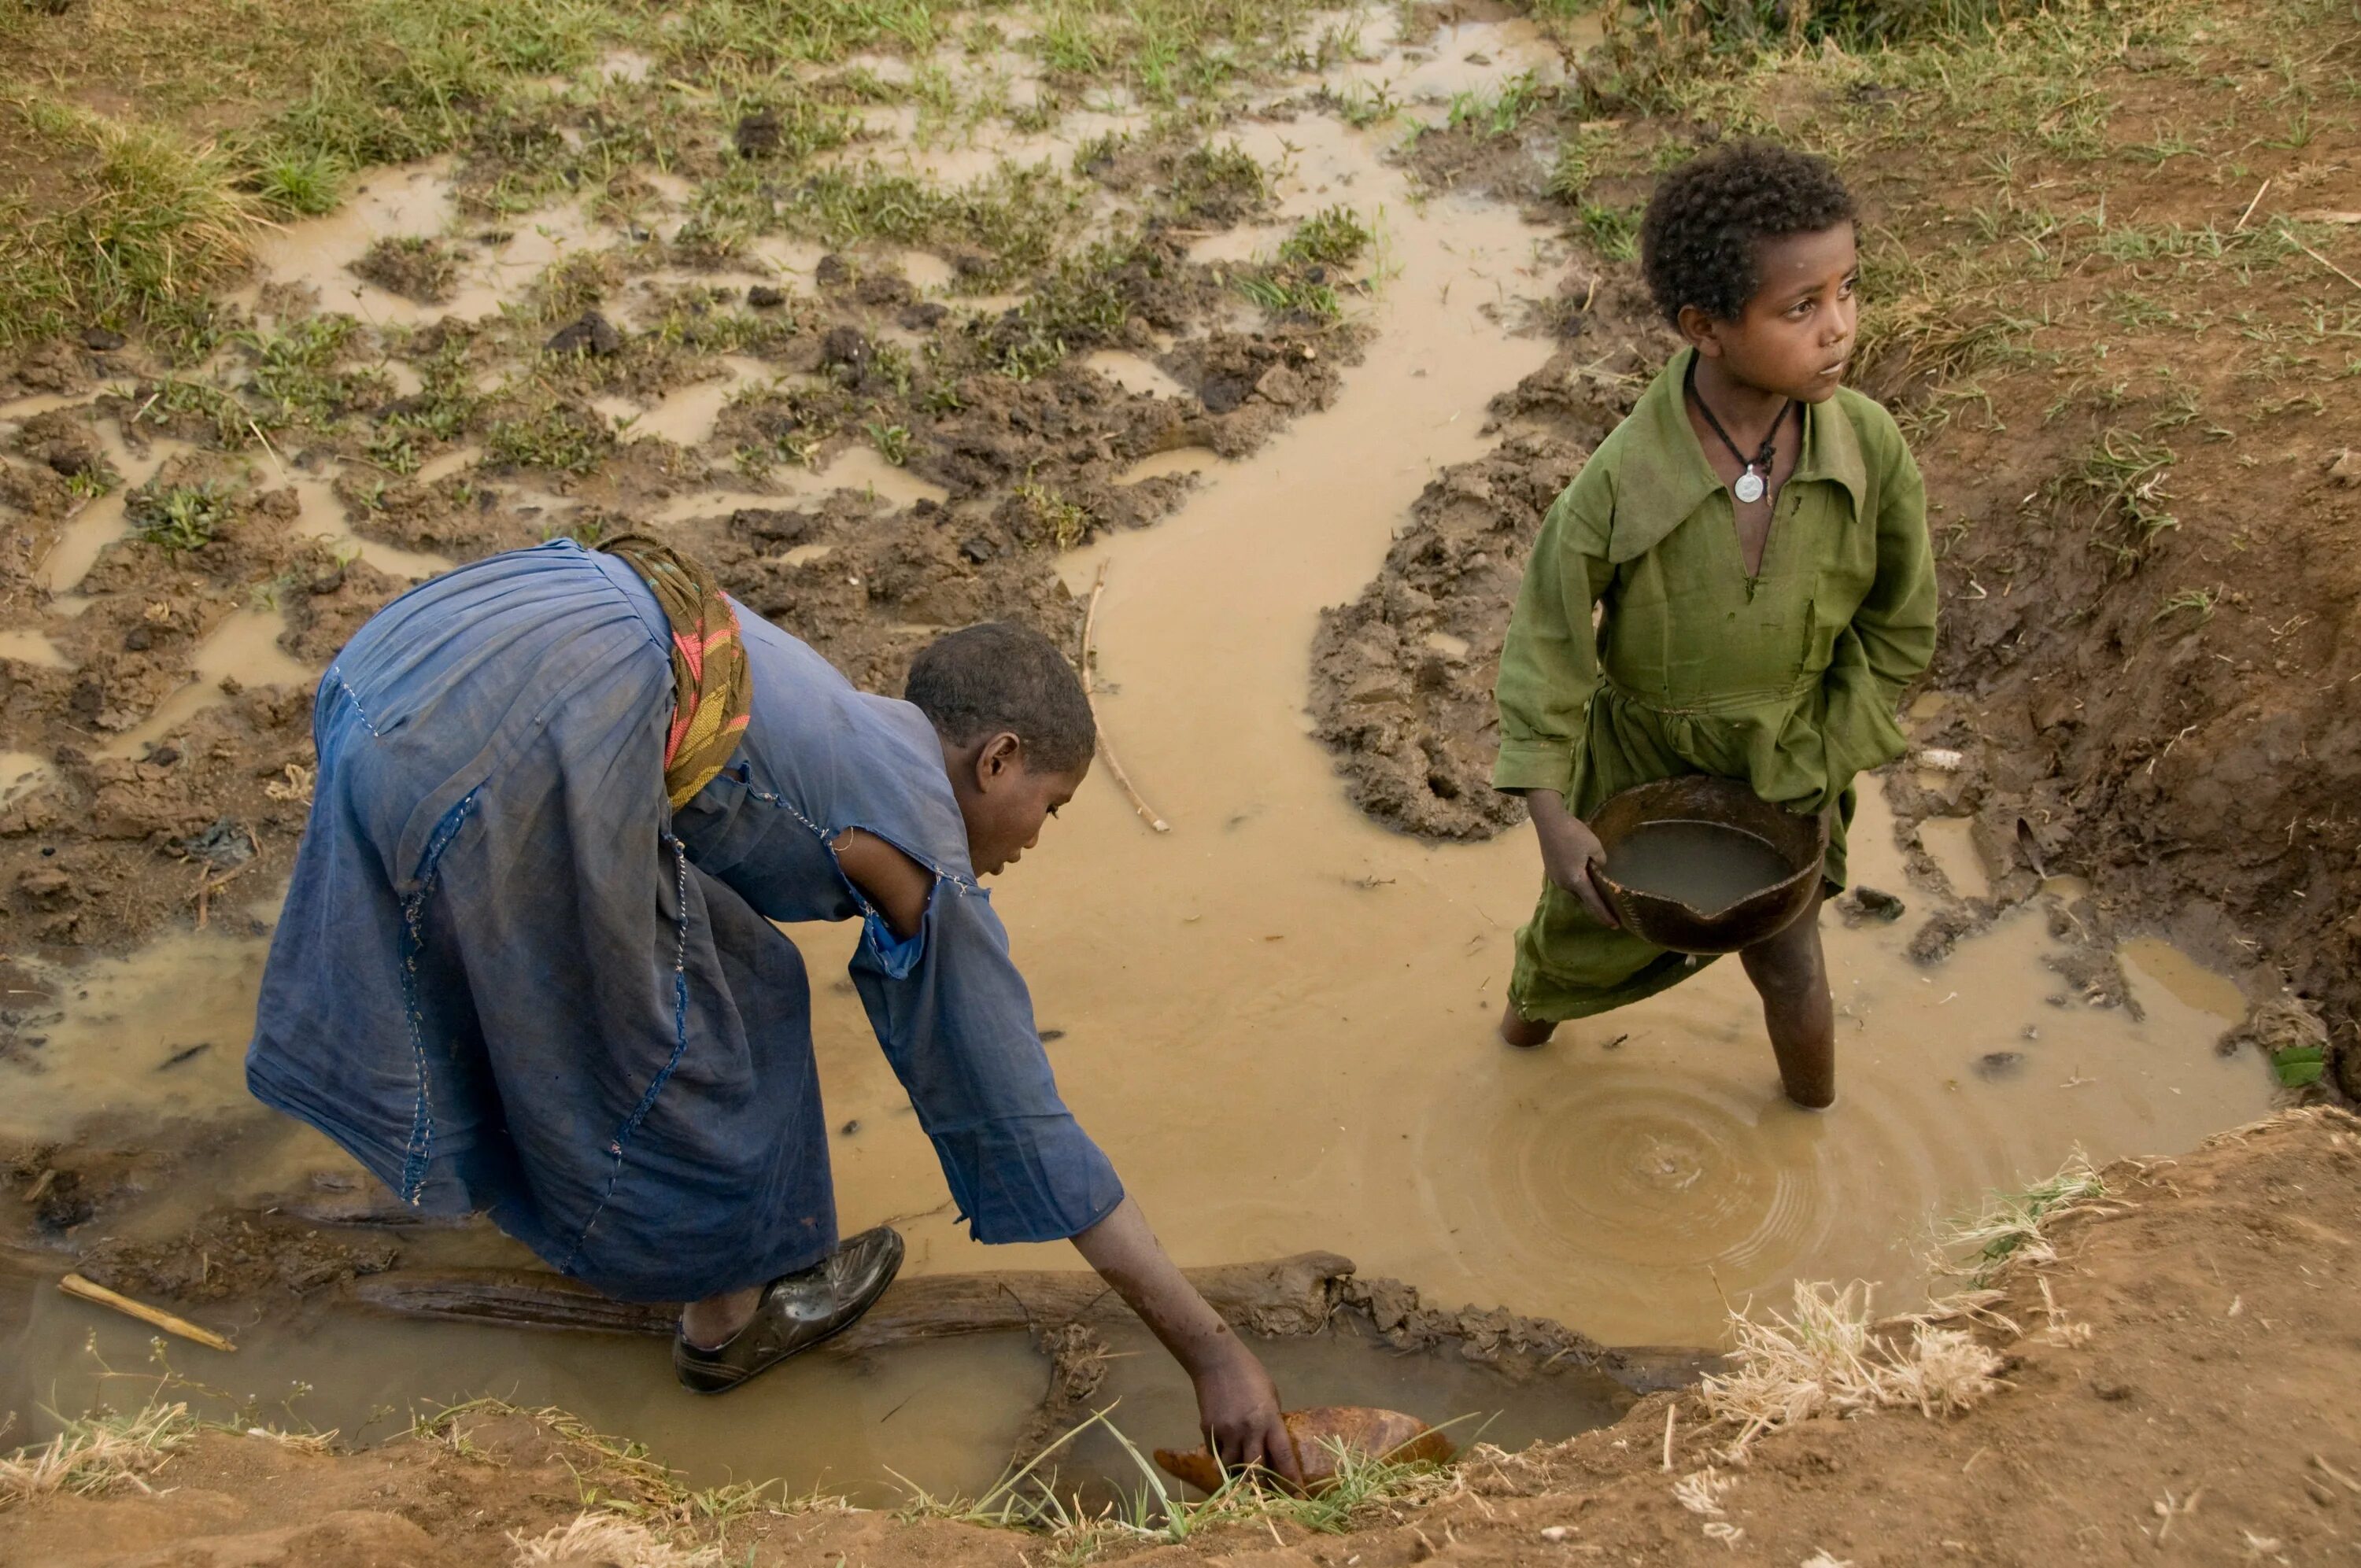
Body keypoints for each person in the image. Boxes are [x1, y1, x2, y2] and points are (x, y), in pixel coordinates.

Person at [247, 535, 1299, 1480]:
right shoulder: (920, 849)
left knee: (744, 970)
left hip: (428, 651)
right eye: (1050, 808)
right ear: (998, 760)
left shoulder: (838, 718)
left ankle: (619, 1214)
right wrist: (1214, 1352)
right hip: (524, 729)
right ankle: (726, 1321)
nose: (1034, 837)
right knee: (667, 1035)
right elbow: (1018, 1112)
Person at [1489, 141, 1937, 1108]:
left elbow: (1901, 625)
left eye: (1849, 291)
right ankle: (1512, 1058)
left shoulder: (1870, 449)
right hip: (1638, 764)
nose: (1840, 329)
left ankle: (1809, 1123)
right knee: (1567, 953)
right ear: (1706, 327)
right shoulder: (1618, 480)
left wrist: (1829, 747)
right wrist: (1553, 819)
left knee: (1793, 967)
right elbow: (1547, 644)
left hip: (1788, 760)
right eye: (1801, 308)